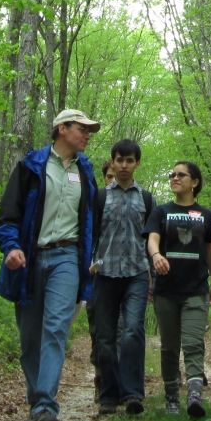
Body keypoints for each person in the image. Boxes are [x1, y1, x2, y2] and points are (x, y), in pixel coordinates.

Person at [0, 109, 100, 421]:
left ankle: (45, 407)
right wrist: (11, 247)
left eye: (89, 131)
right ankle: (35, 403)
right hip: (30, 257)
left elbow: (91, 221)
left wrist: (93, 255)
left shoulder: (85, 171)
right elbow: (9, 213)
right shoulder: (31, 166)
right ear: (62, 129)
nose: (87, 135)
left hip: (68, 257)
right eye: (82, 129)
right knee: (29, 339)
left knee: (56, 328)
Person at [146, 161, 211, 419]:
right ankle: (171, 397)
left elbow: (210, 251)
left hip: (196, 290)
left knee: (193, 343)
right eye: (172, 174)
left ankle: (194, 396)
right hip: (166, 291)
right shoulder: (161, 212)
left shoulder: (206, 215)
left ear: (195, 182)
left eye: (181, 175)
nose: (175, 178)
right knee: (169, 346)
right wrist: (156, 255)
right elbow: (152, 238)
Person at [90, 139, 154, 416]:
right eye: (119, 160)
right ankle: (109, 394)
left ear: (137, 163)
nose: (124, 165)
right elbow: (90, 235)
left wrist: (154, 271)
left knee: (132, 332)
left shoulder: (147, 199)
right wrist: (89, 264)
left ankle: (132, 393)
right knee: (104, 337)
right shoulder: (100, 197)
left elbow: (153, 239)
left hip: (137, 274)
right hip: (104, 274)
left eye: (129, 160)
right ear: (112, 163)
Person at [88, 158, 117, 402]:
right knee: (98, 332)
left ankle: (119, 382)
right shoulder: (96, 200)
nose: (113, 182)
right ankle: (101, 380)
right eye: (109, 177)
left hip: (125, 277)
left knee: (123, 332)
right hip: (96, 277)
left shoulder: (139, 202)